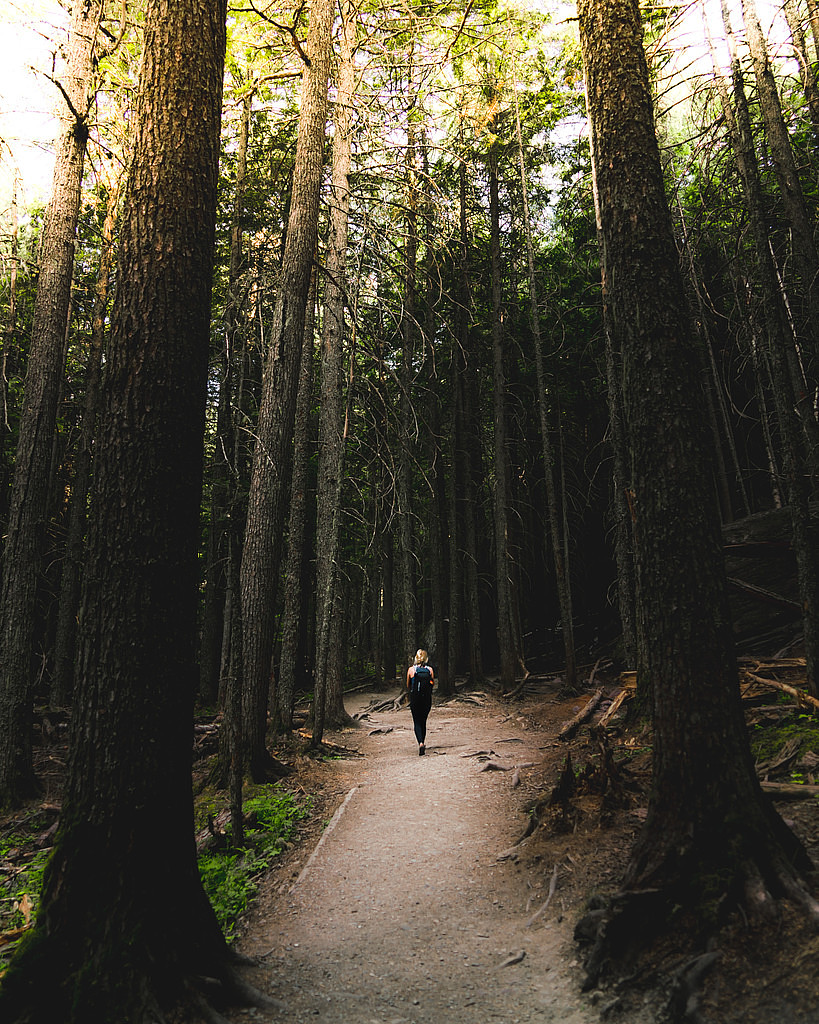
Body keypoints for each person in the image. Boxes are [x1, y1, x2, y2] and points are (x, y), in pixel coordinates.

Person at [406, 648, 434, 755]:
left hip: (415, 698)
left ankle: (420, 743)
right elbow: (432, 684)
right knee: (423, 721)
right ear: (426, 658)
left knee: (416, 721)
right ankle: (423, 741)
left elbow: (408, 685)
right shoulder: (430, 670)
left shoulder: (411, 670)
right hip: (426, 698)